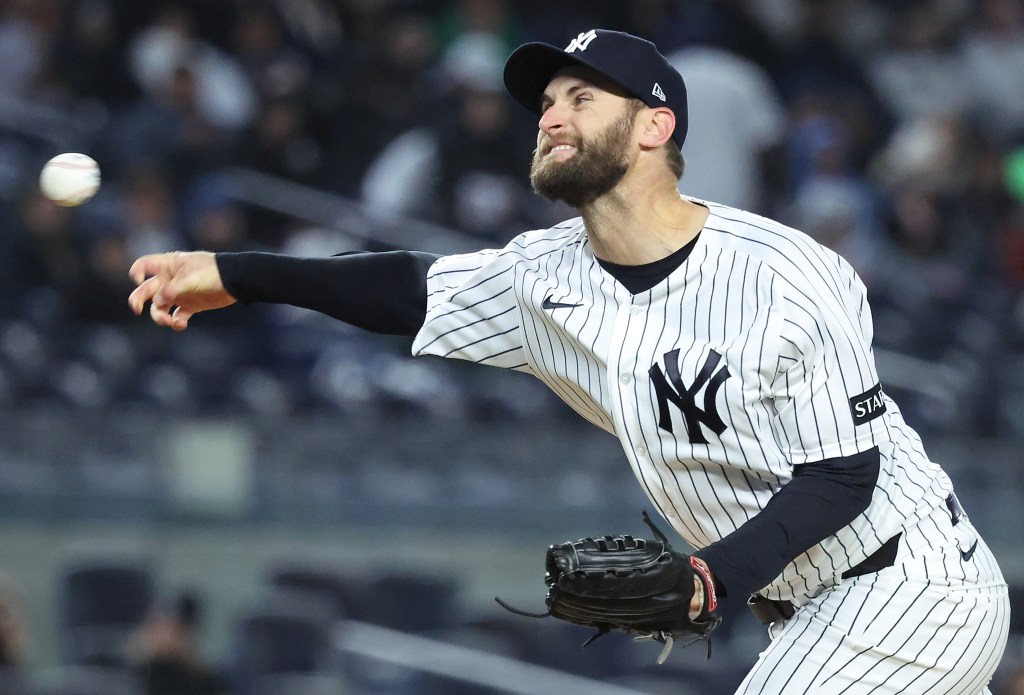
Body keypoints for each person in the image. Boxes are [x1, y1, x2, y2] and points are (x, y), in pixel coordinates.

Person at [128, 29, 1010, 694]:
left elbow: (841, 476)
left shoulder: (784, 273)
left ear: (654, 126)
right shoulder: (542, 277)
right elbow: (408, 287)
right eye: (547, 100)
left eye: (584, 97)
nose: (551, 114)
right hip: (806, 611)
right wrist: (235, 275)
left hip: (908, 583)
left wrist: (710, 579)